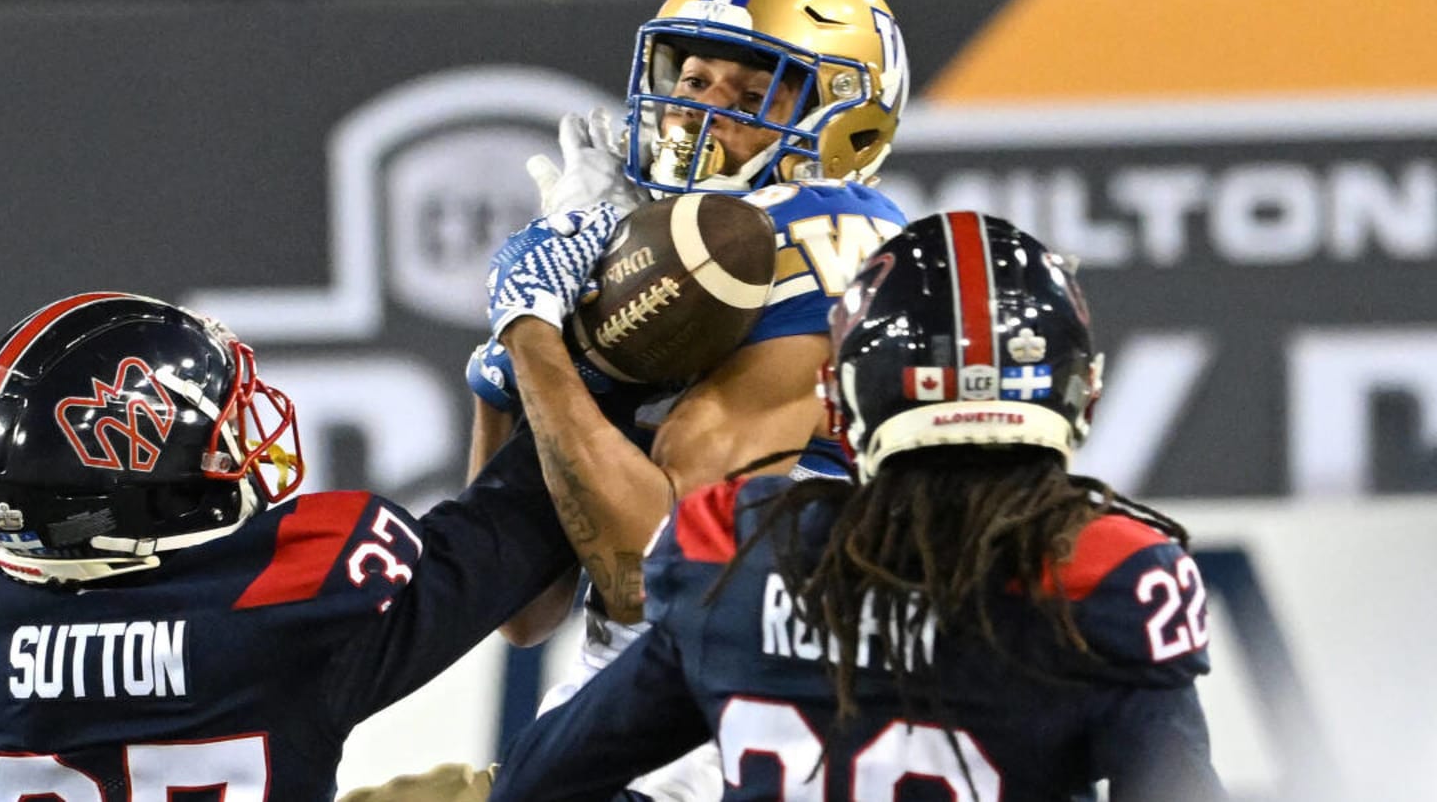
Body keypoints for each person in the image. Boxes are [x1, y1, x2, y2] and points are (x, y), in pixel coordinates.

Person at [487, 212, 1228, 801]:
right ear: (1081, 395)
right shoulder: (1112, 577)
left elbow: (536, 785)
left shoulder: (737, 548)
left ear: (840, 405)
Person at [441, 0, 912, 802]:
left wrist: (535, 331)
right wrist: (517, 364)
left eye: (754, 89)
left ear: (844, 117)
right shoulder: (661, 244)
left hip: (742, 714)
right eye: (693, 79)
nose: (704, 112)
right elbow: (524, 610)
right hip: (641, 706)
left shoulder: (831, 231)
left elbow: (650, 577)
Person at [0, 291, 577, 801]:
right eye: (219, 435)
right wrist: (564, 341)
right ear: (145, 493)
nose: (235, 446)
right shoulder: (295, 605)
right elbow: (518, 518)